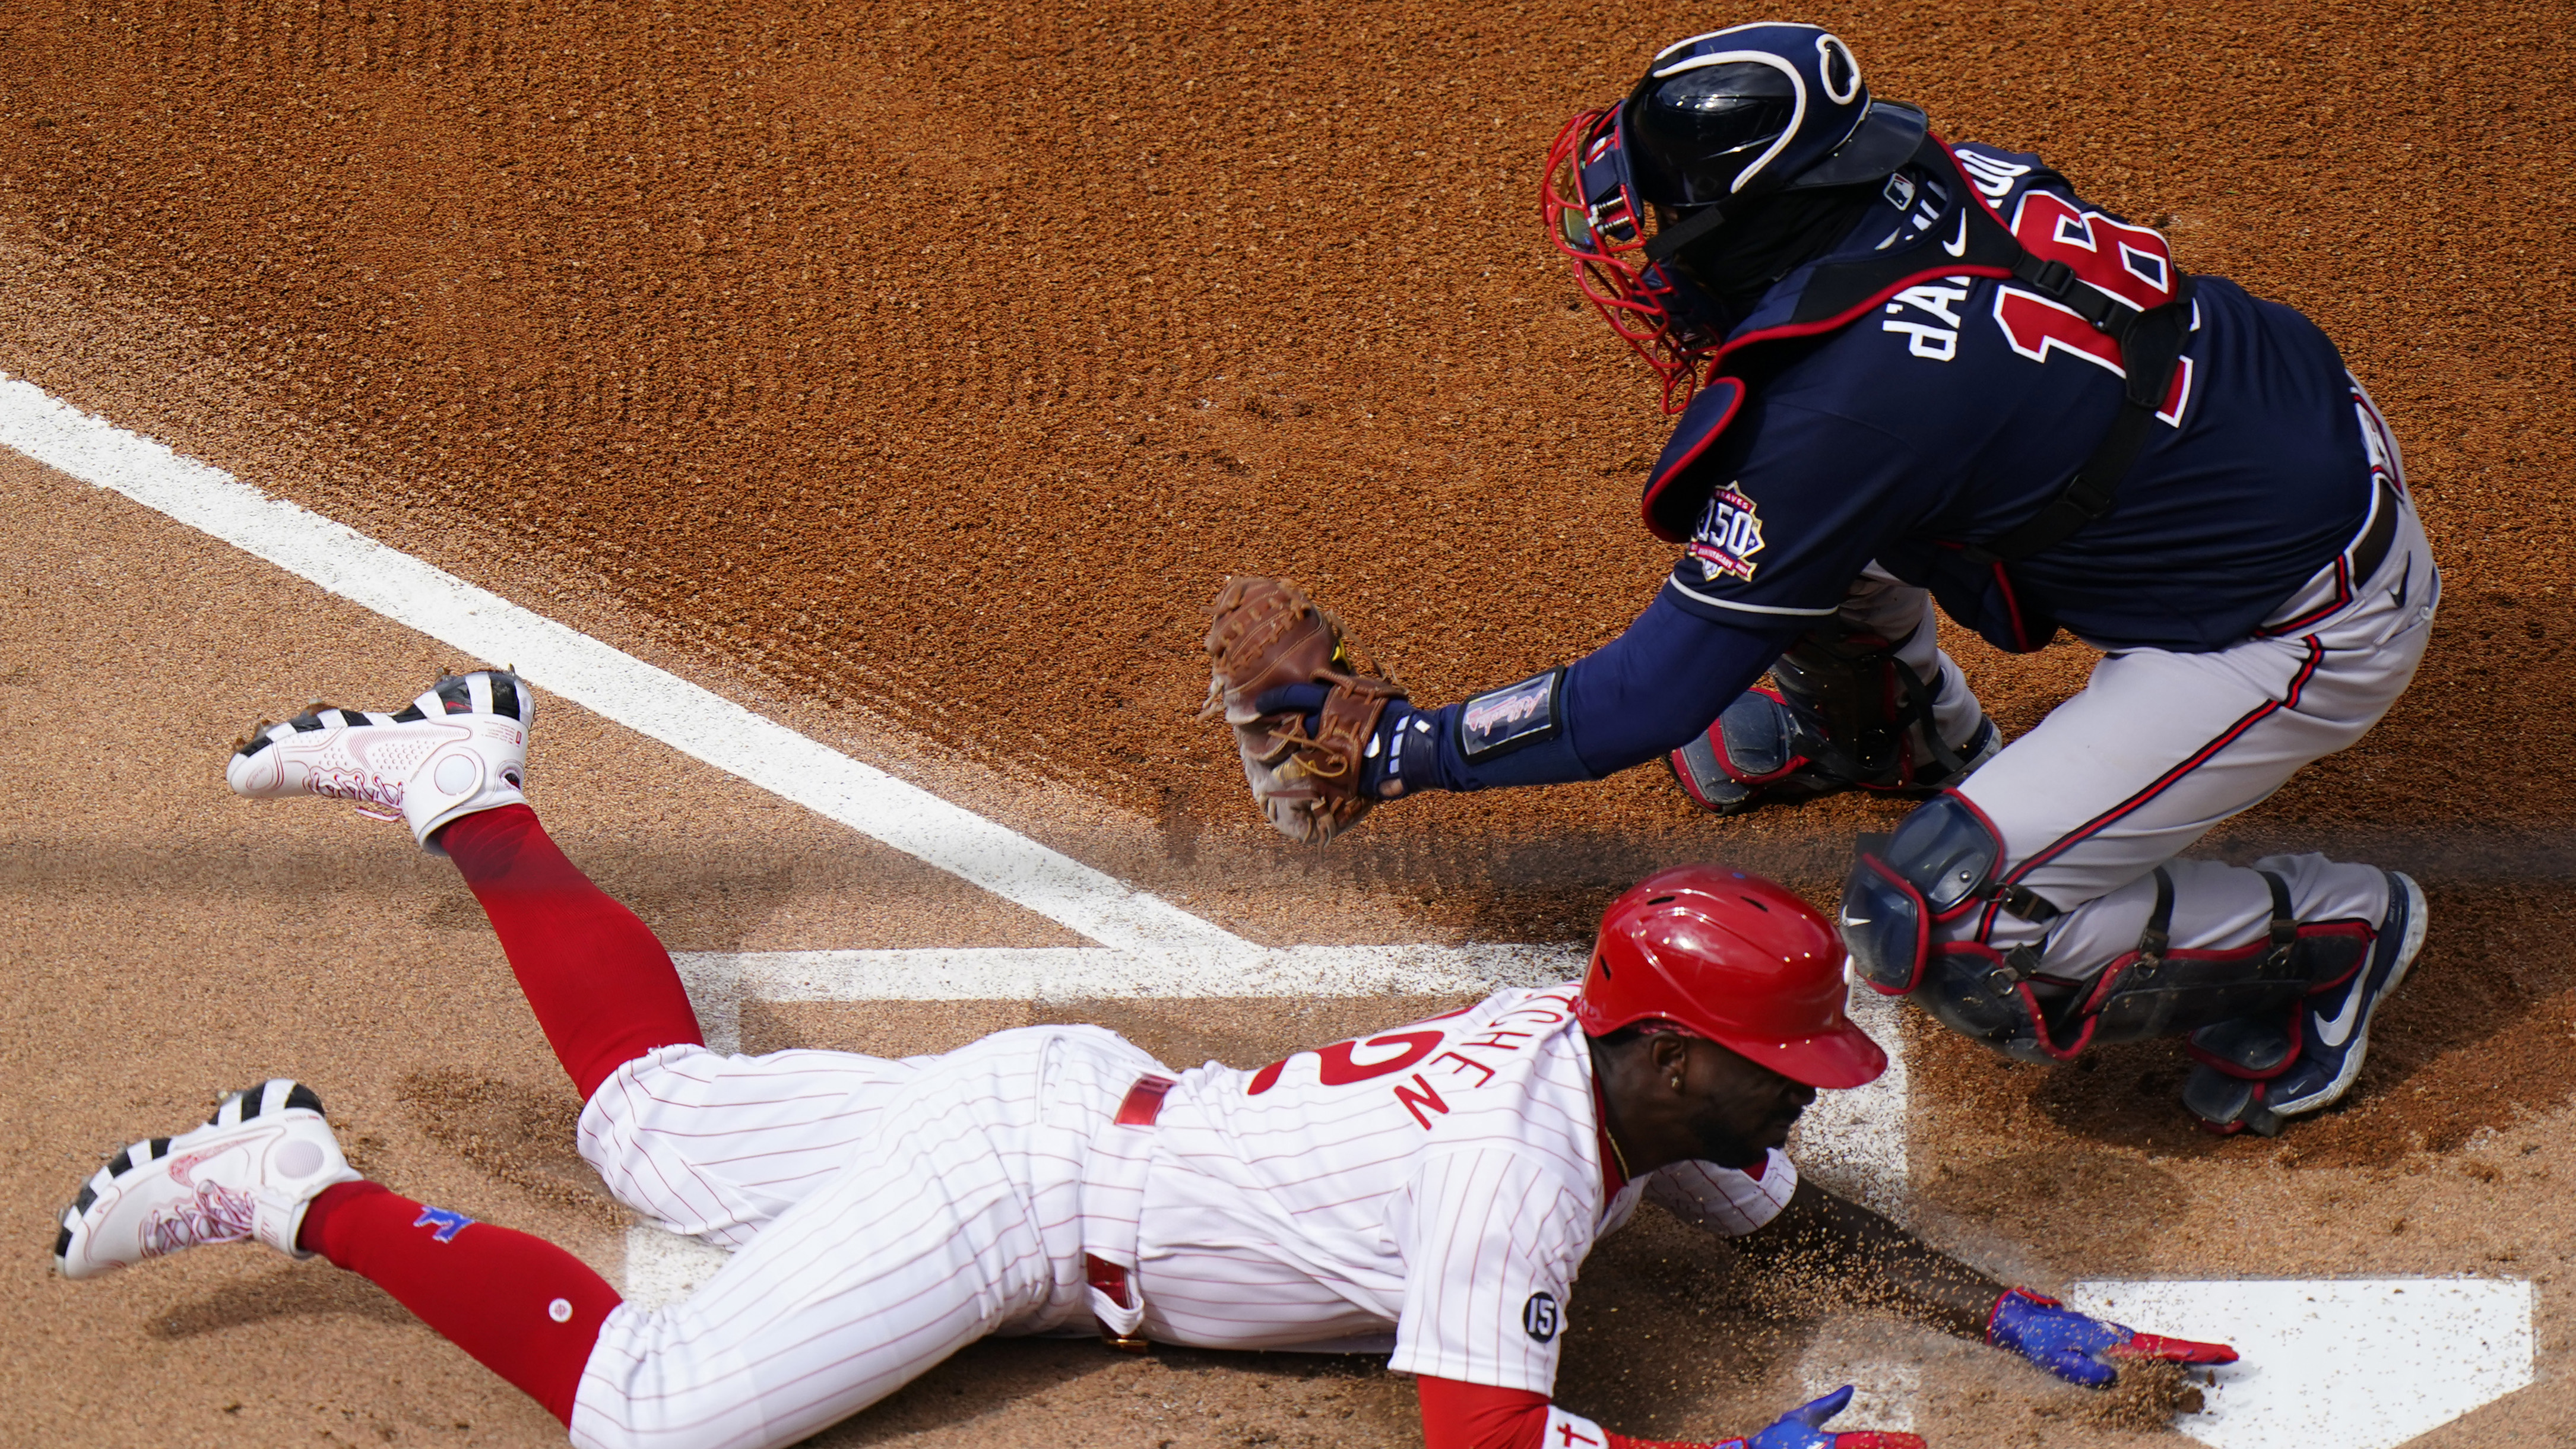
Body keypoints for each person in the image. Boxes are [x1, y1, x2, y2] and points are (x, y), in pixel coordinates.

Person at [57, 670, 2230, 1449]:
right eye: (1777, 1069)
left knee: (649, 1119)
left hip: (1058, 1106)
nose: (1800, 1094)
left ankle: (467, 787)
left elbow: (1778, 1196)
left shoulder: (1594, 1051)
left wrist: (1997, 1304)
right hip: (1021, 1199)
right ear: (1670, 1054)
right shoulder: (1515, 1177)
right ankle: (303, 1171)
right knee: (649, 1415)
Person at [1216, 22, 2437, 1137]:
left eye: (1661, 218)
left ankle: (2325, 945)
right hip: (2274, 439)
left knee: (1940, 922)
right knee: (1810, 520)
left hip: (2290, 621)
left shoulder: (1854, 408)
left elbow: (1648, 698)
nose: (1638, 245)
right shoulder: (1940, 180)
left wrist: (1395, 750)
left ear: (1756, 219)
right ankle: (1871, 720)